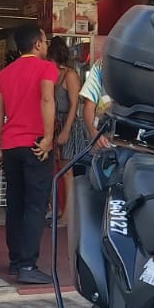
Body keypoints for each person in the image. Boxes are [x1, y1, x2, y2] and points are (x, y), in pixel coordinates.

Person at [0, 26, 56, 284]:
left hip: (10, 145)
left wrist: (0, 145)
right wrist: (48, 137)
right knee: (35, 205)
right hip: (35, 144)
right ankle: (28, 266)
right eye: (45, 40)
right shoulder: (46, 68)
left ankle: (15, 260)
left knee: (15, 204)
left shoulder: (5, 73)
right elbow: (46, 99)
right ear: (38, 44)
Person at [48, 37, 86, 226]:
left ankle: (67, 215)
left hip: (67, 124)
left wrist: (66, 130)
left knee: (67, 172)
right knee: (59, 170)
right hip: (56, 124)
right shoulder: (53, 74)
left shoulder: (69, 75)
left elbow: (74, 105)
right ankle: (59, 209)